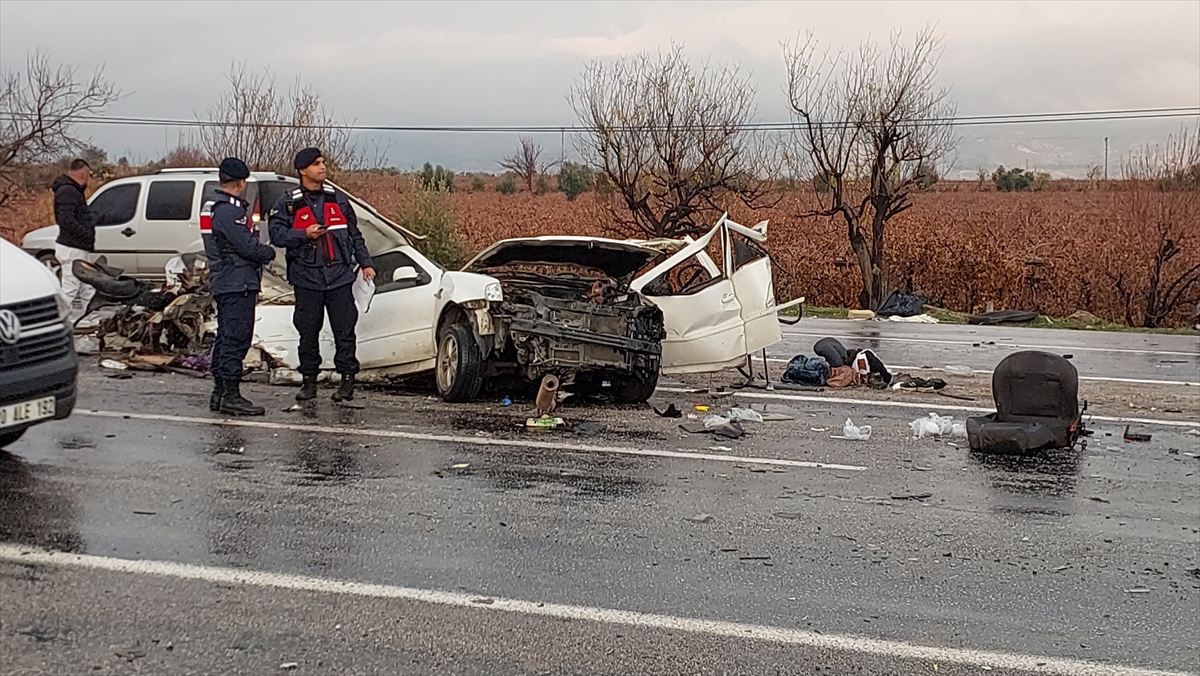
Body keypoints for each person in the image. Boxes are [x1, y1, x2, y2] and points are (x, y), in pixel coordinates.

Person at [269, 148, 375, 402]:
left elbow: (354, 235)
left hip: (339, 277)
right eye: (316, 164)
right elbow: (277, 236)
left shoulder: (337, 200)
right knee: (308, 332)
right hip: (307, 279)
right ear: (303, 170)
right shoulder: (287, 203)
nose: (323, 167)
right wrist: (303, 234)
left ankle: (347, 381)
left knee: (345, 331)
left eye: (323, 162)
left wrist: (366, 263)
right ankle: (309, 382)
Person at [202, 157, 276, 416]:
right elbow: (246, 245)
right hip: (236, 281)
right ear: (241, 182)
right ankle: (230, 394)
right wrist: (268, 252)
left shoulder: (212, 206)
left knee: (225, 337)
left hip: (226, 279)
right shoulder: (228, 210)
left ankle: (220, 392)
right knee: (236, 338)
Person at [51, 159, 96, 324]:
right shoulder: (67, 192)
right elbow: (66, 219)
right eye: (88, 175)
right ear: (83, 173)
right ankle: (57, 323)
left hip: (78, 248)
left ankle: (90, 320)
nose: (89, 179)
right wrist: (85, 233)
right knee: (71, 288)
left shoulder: (72, 191)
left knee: (88, 286)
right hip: (72, 247)